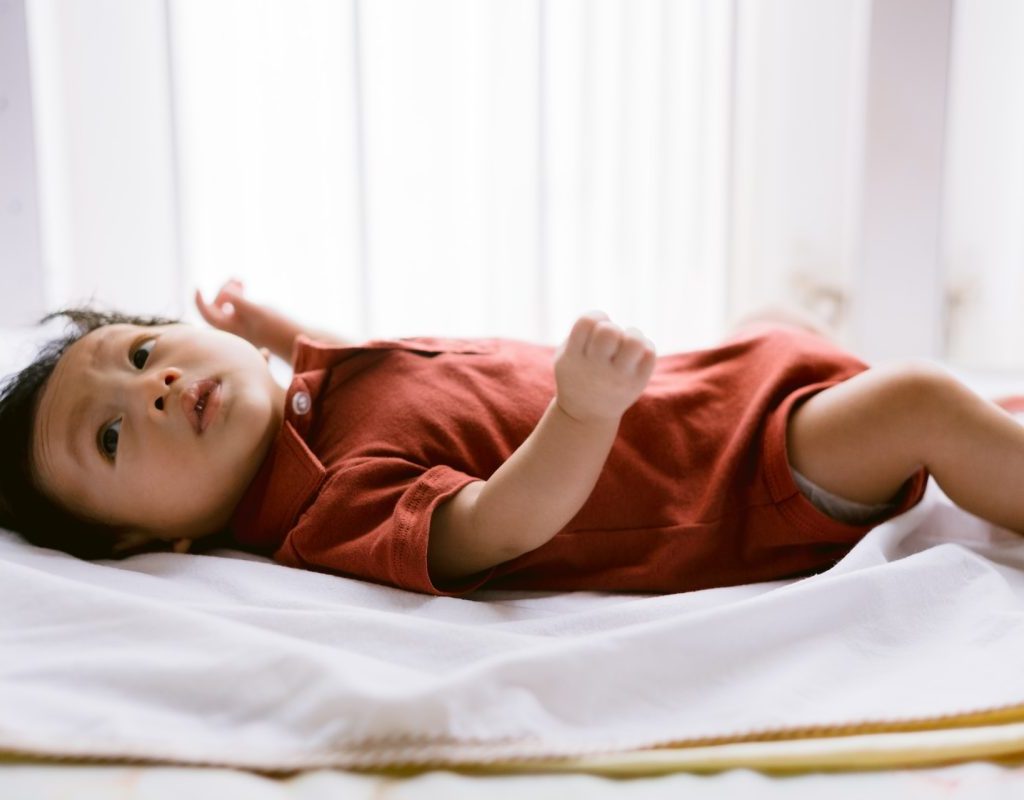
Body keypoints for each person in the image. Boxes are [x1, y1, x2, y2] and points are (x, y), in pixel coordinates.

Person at [0, 278, 1021, 595]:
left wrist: (263, 326)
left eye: (139, 356)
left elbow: (393, 380)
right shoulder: (323, 509)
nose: (162, 387)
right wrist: (579, 412)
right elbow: (496, 521)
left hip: (712, 389)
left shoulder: (311, 398)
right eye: (111, 439)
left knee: (948, 416)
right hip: (728, 478)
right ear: (149, 543)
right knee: (918, 405)